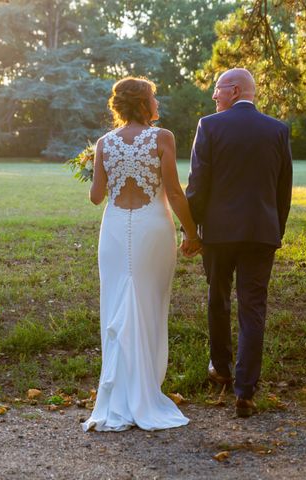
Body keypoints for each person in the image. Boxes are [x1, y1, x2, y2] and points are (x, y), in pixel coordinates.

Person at [82, 77, 200, 432]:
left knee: (117, 301)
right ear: (143, 104)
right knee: (150, 303)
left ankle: (119, 393)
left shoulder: (104, 143)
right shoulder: (162, 138)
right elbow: (175, 194)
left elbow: (96, 196)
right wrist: (193, 233)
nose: (157, 102)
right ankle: (145, 391)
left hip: (116, 229)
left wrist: (96, 166)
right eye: (154, 96)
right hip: (152, 226)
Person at [185, 68, 293, 418]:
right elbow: (283, 189)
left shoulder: (210, 126)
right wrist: (275, 228)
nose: (214, 97)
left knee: (218, 299)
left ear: (233, 90)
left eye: (217, 90)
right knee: (253, 308)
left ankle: (221, 368)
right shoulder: (278, 129)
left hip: (218, 233)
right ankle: (245, 391)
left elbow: (198, 184)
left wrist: (193, 228)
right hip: (262, 232)